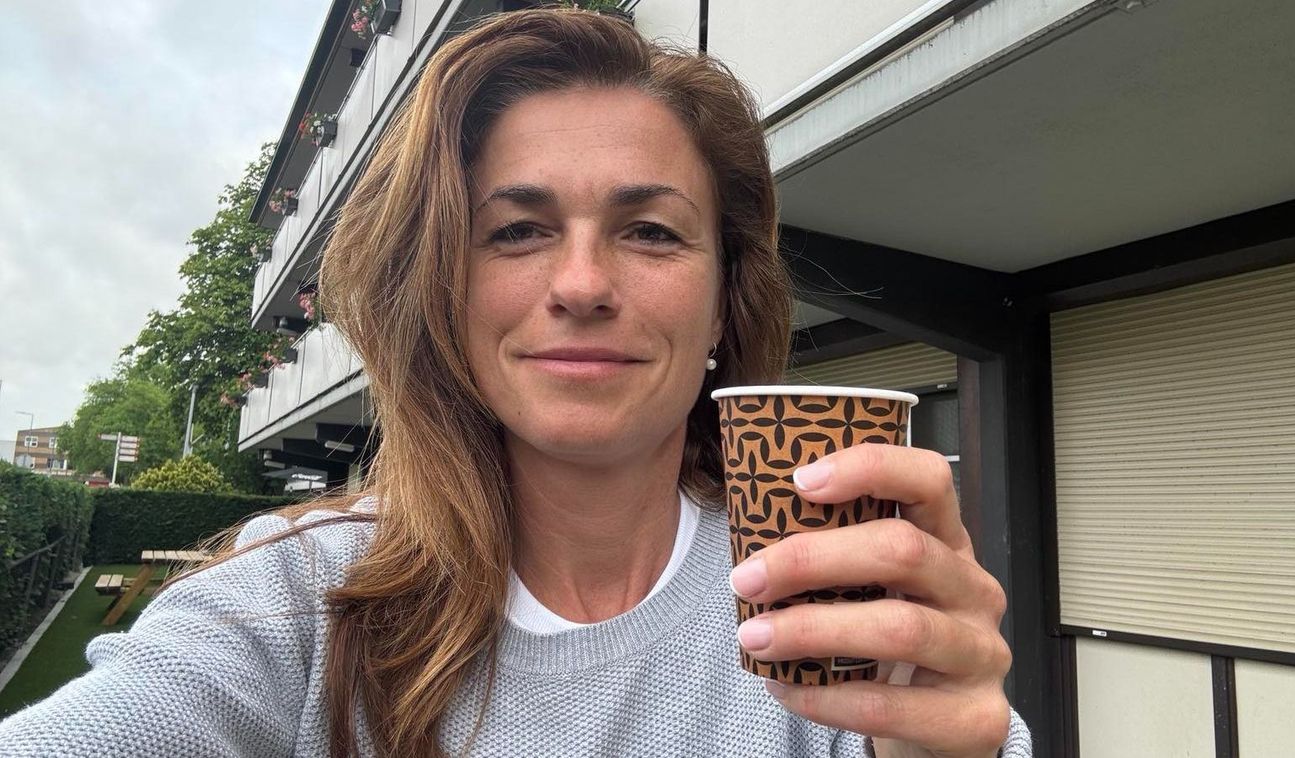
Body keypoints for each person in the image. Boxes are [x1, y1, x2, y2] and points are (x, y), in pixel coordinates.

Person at [0, 9, 1031, 757]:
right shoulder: (291, 605)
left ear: (723, 303)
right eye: (517, 230)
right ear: (443, 294)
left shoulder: (830, 598)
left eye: (650, 231)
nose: (581, 284)